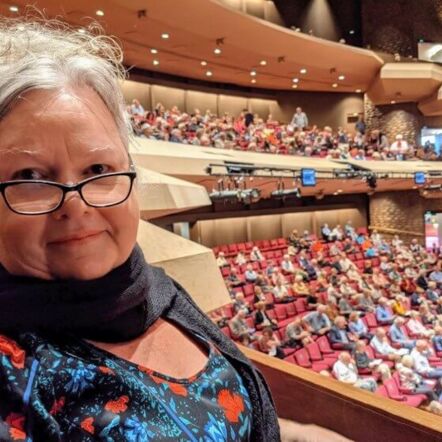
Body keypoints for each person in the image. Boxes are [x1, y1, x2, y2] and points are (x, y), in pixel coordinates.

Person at [0, 17, 284, 439]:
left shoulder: (159, 292)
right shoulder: (11, 374)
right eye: (30, 177)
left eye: (99, 168)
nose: (75, 205)